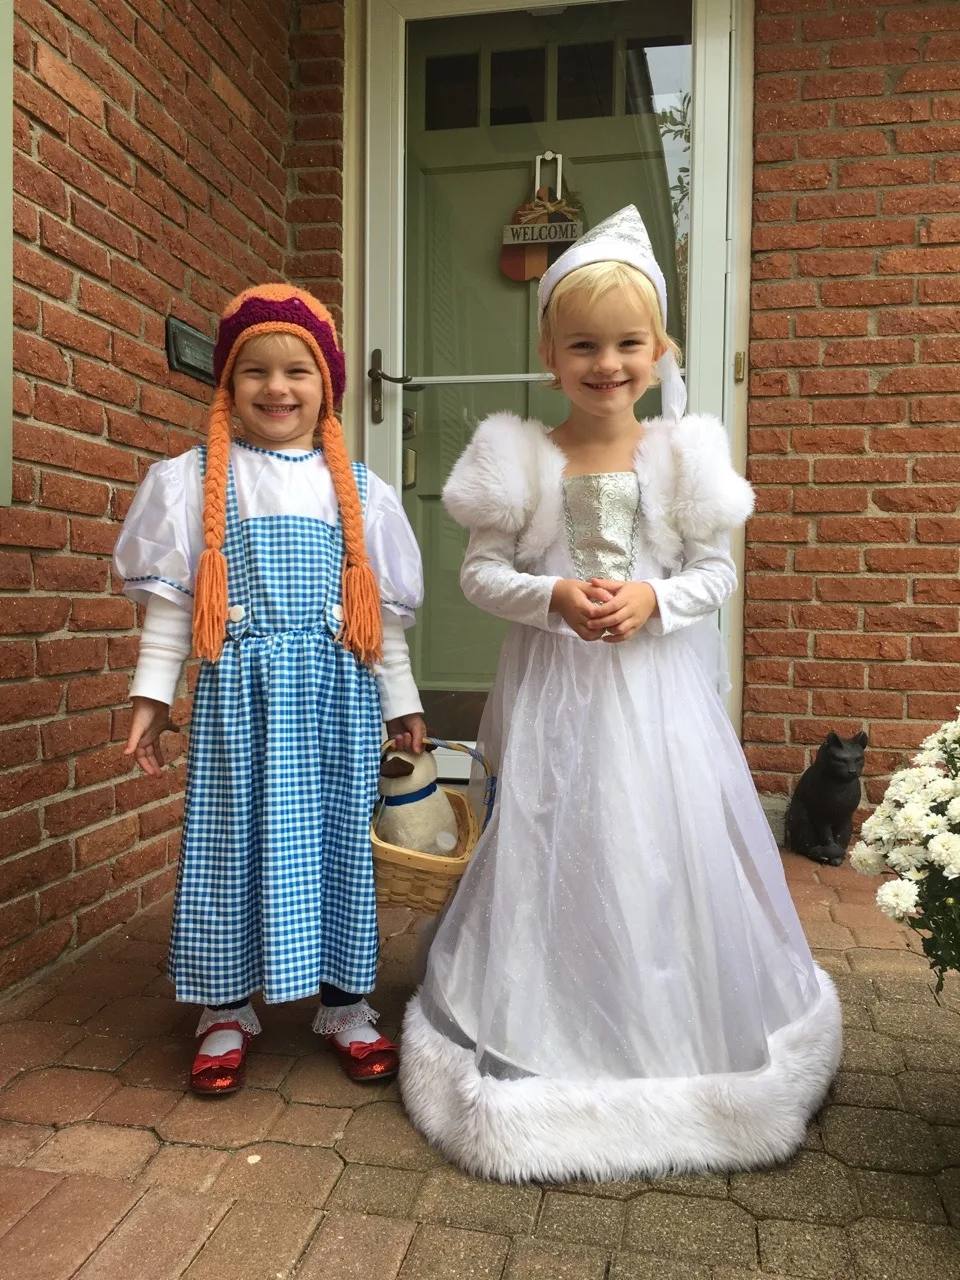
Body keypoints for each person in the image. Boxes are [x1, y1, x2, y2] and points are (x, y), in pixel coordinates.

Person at [399, 207, 841, 1182]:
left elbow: (716, 577)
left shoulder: (684, 455)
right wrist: (553, 593)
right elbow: (479, 576)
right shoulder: (519, 456)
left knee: (655, 833)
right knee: (561, 831)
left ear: (660, 349)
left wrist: (655, 595)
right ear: (550, 353)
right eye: (584, 344)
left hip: (655, 697)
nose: (608, 363)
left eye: (628, 343)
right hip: (557, 692)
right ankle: (550, 1000)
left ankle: (670, 1014)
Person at [114, 284, 425, 1094]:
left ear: (328, 387)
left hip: (336, 700)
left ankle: (347, 1005)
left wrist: (404, 702)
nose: (277, 388)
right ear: (226, 384)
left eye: (299, 370)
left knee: (338, 848)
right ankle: (224, 1010)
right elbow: (175, 613)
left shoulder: (358, 491)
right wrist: (152, 698)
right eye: (254, 371)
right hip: (238, 704)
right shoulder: (192, 484)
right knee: (225, 846)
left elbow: (377, 621)